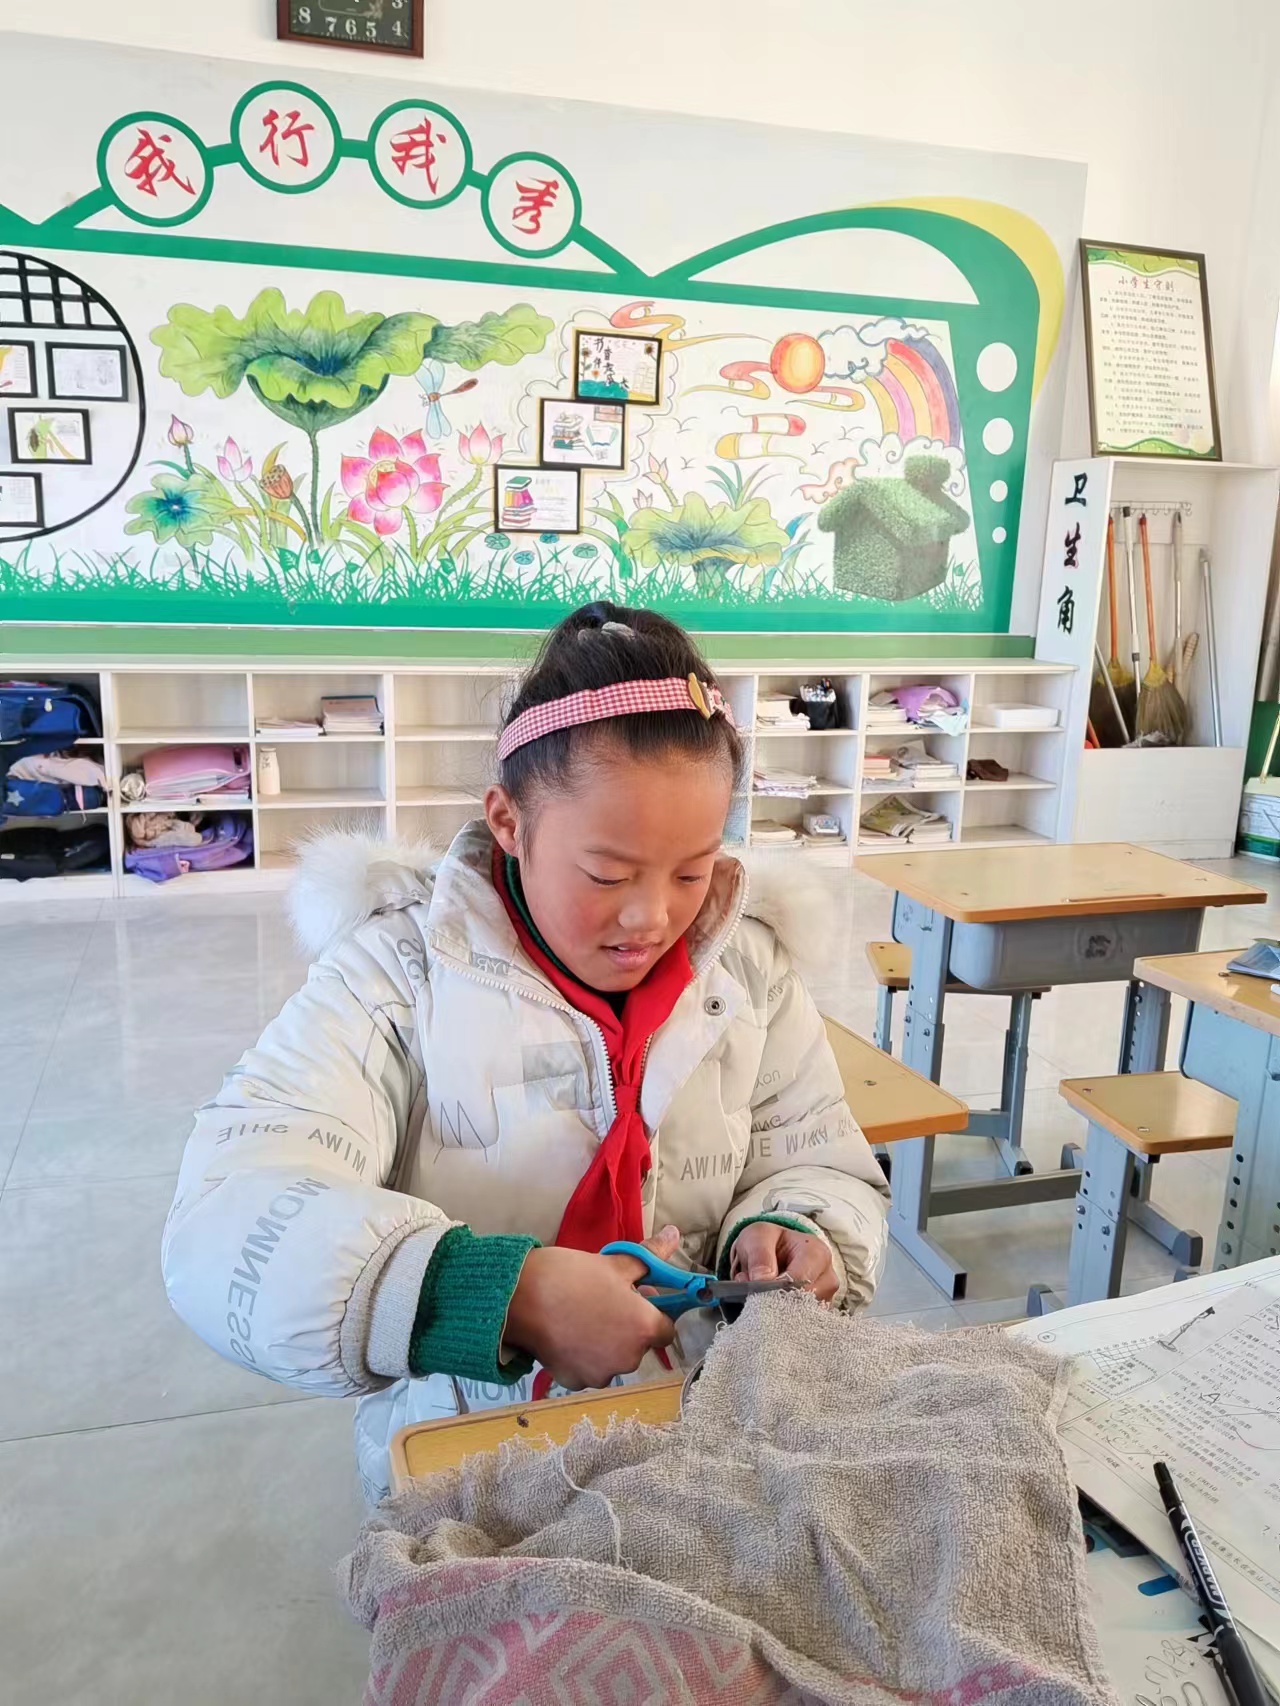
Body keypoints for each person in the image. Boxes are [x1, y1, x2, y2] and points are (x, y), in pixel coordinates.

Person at [162, 603, 890, 1501]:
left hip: (706, 1439)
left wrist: (798, 1231)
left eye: (692, 870)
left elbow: (818, 1158)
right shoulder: (395, 978)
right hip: (472, 1460)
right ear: (509, 822)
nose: (653, 917)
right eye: (607, 874)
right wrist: (499, 1294)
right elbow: (228, 1218)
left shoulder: (748, 969)